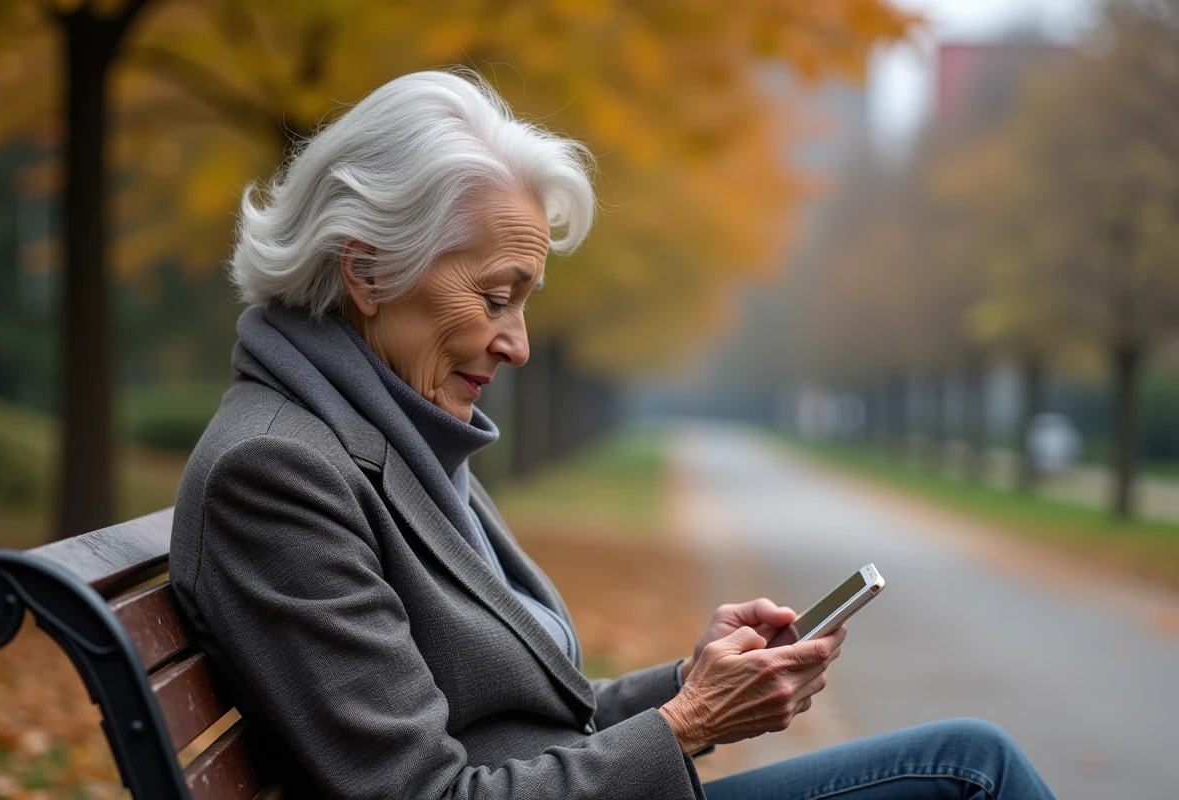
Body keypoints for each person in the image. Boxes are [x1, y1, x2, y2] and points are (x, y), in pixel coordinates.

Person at [170, 69, 1057, 800]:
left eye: (524, 302)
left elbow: (527, 720)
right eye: (494, 296)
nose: (517, 343)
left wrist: (696, 681)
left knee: (966, 767)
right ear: (366, 271)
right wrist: (690, 724)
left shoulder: (383, 428)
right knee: (967, 774)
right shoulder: (281, 470)